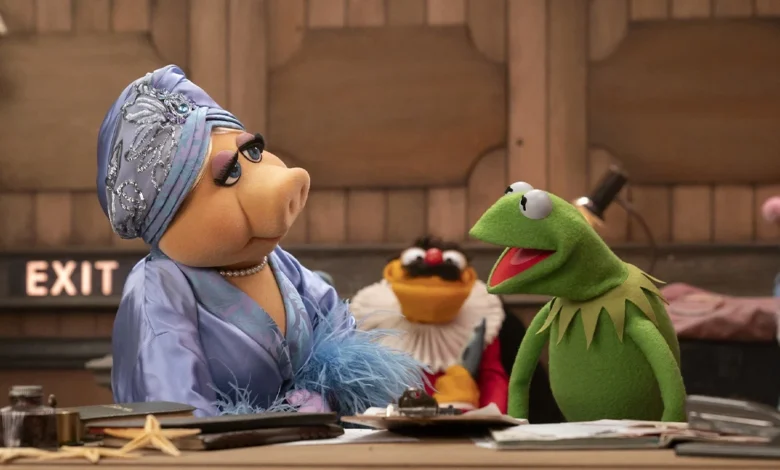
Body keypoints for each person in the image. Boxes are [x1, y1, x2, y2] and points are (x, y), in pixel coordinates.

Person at [97, 65, 422, 417]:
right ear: (166, 215)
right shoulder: (160, 286)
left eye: (252, 152)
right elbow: (173, 405)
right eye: (229, 174)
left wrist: (327, 397)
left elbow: (336, 327)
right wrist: (277, 423)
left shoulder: (277, 262)